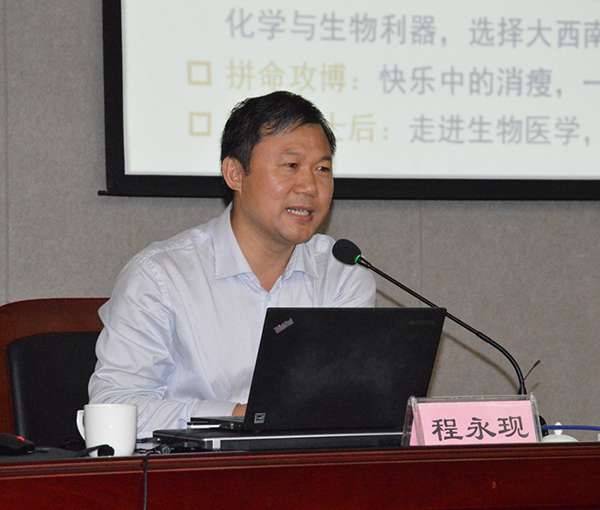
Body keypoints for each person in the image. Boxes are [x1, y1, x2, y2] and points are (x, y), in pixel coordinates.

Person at [89, 91, 376, 438]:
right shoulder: (160, 277)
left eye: (322, 169)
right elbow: (115, 406)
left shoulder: (343, 274)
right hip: (192, 469)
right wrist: (240, 416)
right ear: (235, 174)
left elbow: (352, 402)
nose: (310, 187)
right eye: (291, 166)